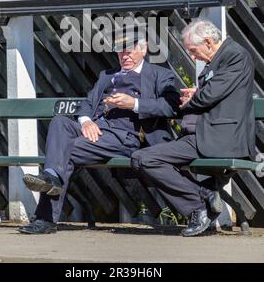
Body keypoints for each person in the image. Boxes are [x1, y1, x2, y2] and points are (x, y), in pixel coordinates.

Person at [18, 26, 180, 234]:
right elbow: (86, 104)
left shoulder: (159, 74)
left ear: (144, 49)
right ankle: (51, 177)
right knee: (60, 122)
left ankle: (46, 218)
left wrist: (134, 104)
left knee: (65, 151)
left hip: (127, 136)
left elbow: (170, 106)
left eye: (129, 50)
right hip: (97, 131)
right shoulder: (107, 75)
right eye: (120, 51)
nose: (125, 55)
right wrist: (86, 122)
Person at [131, 19, 256, 237]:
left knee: (144, 158)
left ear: (208, 41)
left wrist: (195, 96)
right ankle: (203, 196)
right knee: (144, 156)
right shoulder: (220, 58)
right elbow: (214, 92)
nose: (192, 56)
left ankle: (198, 206)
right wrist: (197, 93)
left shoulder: (235, 55)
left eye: (193, 50)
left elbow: (209, 96)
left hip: (220, 136)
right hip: (204, 134)